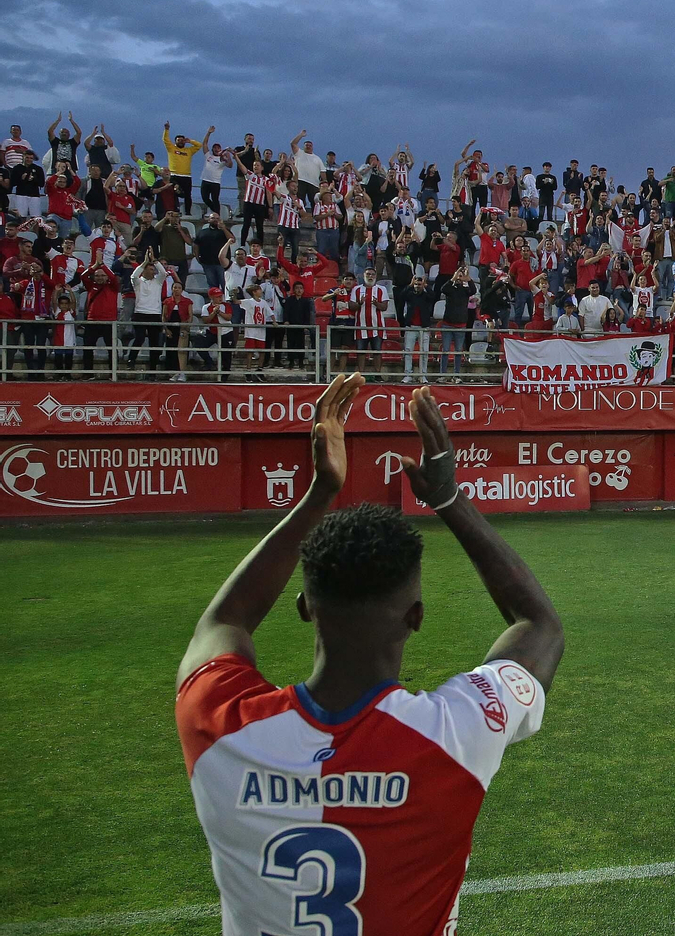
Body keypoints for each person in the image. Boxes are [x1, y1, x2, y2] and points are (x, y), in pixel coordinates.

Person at [174, 378, 564, 936]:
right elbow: (539, 626)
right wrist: (448, 499)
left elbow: (224, 621)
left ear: (305, 607)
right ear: (416, 617)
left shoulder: (221, 726)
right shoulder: (455, 734)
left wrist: (319, 493)